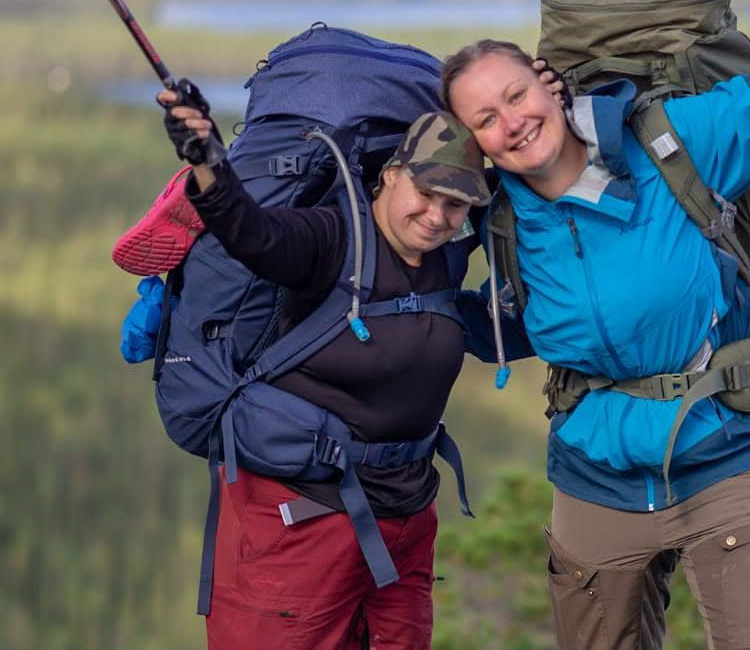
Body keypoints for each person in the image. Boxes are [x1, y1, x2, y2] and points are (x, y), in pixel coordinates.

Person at [440, 0, 750, 650]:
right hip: (595, 466)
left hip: (728, 441)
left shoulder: (672, 139)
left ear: (548, 80)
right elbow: (447, 288)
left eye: (515, 95)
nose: (512, 123)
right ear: (476, 139)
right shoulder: (497, 211)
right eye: (486, 118)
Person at [147, 95, 537, 650]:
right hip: (301, 524)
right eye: (426, 195)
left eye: (455, 206)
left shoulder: (444, 261)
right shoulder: (330, 239)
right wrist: (207, 158)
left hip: (404, 522)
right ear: (391, 176)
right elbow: (253, 233)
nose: (437, 217)